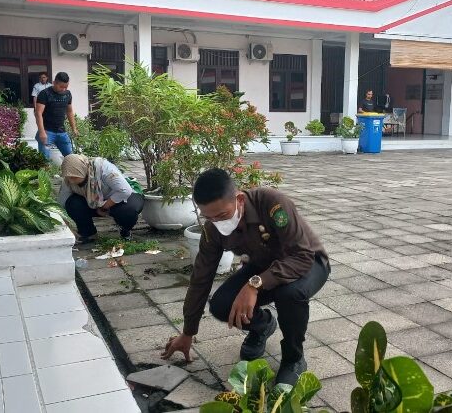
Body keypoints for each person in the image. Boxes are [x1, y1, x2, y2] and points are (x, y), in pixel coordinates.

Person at [161, 169, 330, 385]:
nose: (216, 222)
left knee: (290, 293)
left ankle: (293, 358)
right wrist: (188, 332)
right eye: (208, 217)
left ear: (239, 199)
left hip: (306, 263)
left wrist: (255, 284)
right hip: (263, 266)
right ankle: (262, 326)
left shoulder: (272, 204)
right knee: (222, 304)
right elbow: (200, 278)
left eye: (221, 215)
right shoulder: (213, 229)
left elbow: (302, 256)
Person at [58, 154, 144, 242]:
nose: (71, 181)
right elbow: (61, 204)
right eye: (68, 178)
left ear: (82, 170)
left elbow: (125, 190)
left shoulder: (104, 169)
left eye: (74, 177)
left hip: (122, 197)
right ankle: (88, 233)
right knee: (72, 203)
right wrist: (67, 228)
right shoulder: (68, 180)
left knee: (128, 212)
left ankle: (125, 230)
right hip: (94, 202)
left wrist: (104, 207)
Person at [35, 72, 78, 160]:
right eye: (61, 87)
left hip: (62, 132)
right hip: (47, 132)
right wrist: (42, 132)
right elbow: (38, 113)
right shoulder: (44, 94)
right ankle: (45, 174)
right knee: (44, 160)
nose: (63, 89)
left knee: (71, 158)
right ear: (54, 83)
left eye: (66, 87)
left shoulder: (68, 94)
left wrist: (74, 128)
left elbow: (69, 111)